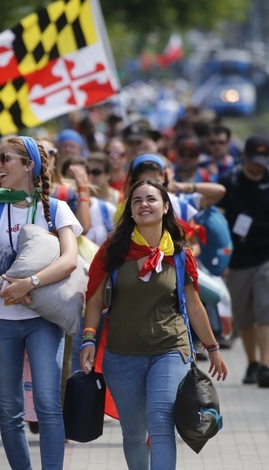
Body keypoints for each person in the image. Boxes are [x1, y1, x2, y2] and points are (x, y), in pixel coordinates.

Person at [81, 179, 228, 469]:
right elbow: (95, 300)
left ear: (165, 207)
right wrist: (88, 339)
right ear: (130, 211)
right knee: (135, 434)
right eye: (137, 200)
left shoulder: (180, 254)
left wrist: (212, 347)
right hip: (122, 354)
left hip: (170, 349)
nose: (144, 205)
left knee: (160, 425)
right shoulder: (113, 250)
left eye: (150, 199)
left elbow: (195, 306)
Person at [0, 136, 82, 470]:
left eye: (5, 158)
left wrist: (29, 283)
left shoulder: (56, 208)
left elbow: (70, 259)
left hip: (43, 319)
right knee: (9, 410)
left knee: (47, 402)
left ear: (29, 165)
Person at [216, 135, 269, 388]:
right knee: (244, 316)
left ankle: (265, 365)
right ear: (244, 157)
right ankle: (252, 363)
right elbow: (217, 225)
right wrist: (220, 261)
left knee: (265, 310)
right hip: (238, 258)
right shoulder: (229, 183)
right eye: (253, 161)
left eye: (262, 162)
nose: (257, 167)